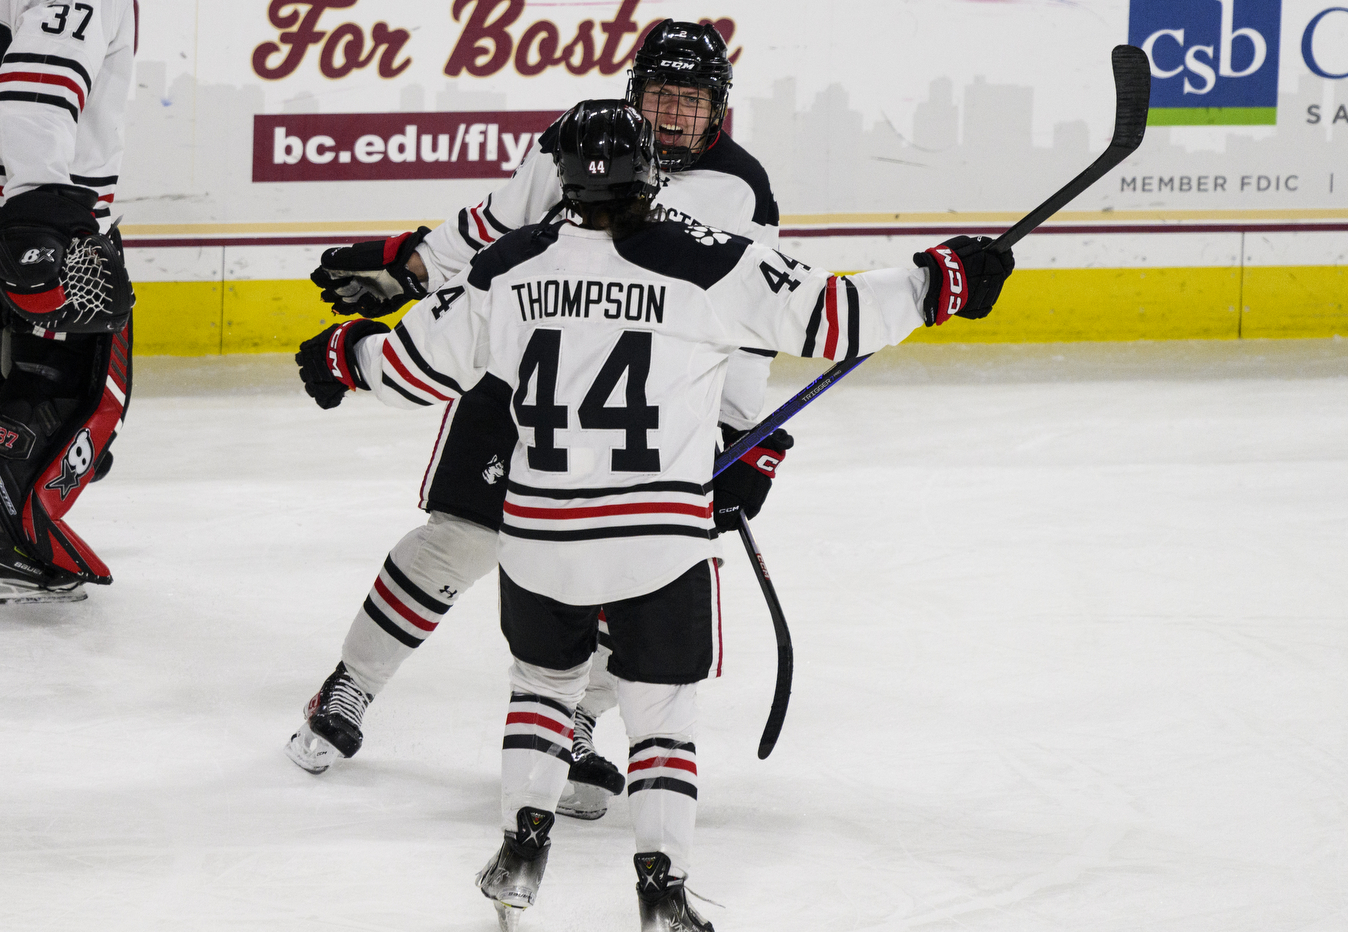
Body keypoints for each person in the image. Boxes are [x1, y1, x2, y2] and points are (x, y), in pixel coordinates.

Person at [294, 99, 1013, 932]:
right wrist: (943, 280)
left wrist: (347, 355)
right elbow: (833, 316)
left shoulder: (512, 268)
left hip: (542, 533)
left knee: (540, 690)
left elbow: (417, 361)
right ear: (649, 168)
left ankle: (521, 842)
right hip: (659, 540)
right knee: (663, 717)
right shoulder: (714, 261)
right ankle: (662, 894)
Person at [286, 20, 790, 821]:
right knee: (459, 540)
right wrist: (411, 272)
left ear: (718, 106)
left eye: (691, 99)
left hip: (644, 417)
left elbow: (752, 315)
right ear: (635, 90)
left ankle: (577, 721)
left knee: (620, 573)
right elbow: (493, 230)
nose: (672, 114)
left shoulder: (740, 188)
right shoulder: (579, 142)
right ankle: (352, 683)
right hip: (524, 380)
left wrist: (741, 434)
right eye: (660, 92)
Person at [0, 0, 136, 604]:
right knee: (73, 390)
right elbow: (40, 77)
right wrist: (39, 215)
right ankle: (10, 539)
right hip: (37, 208)